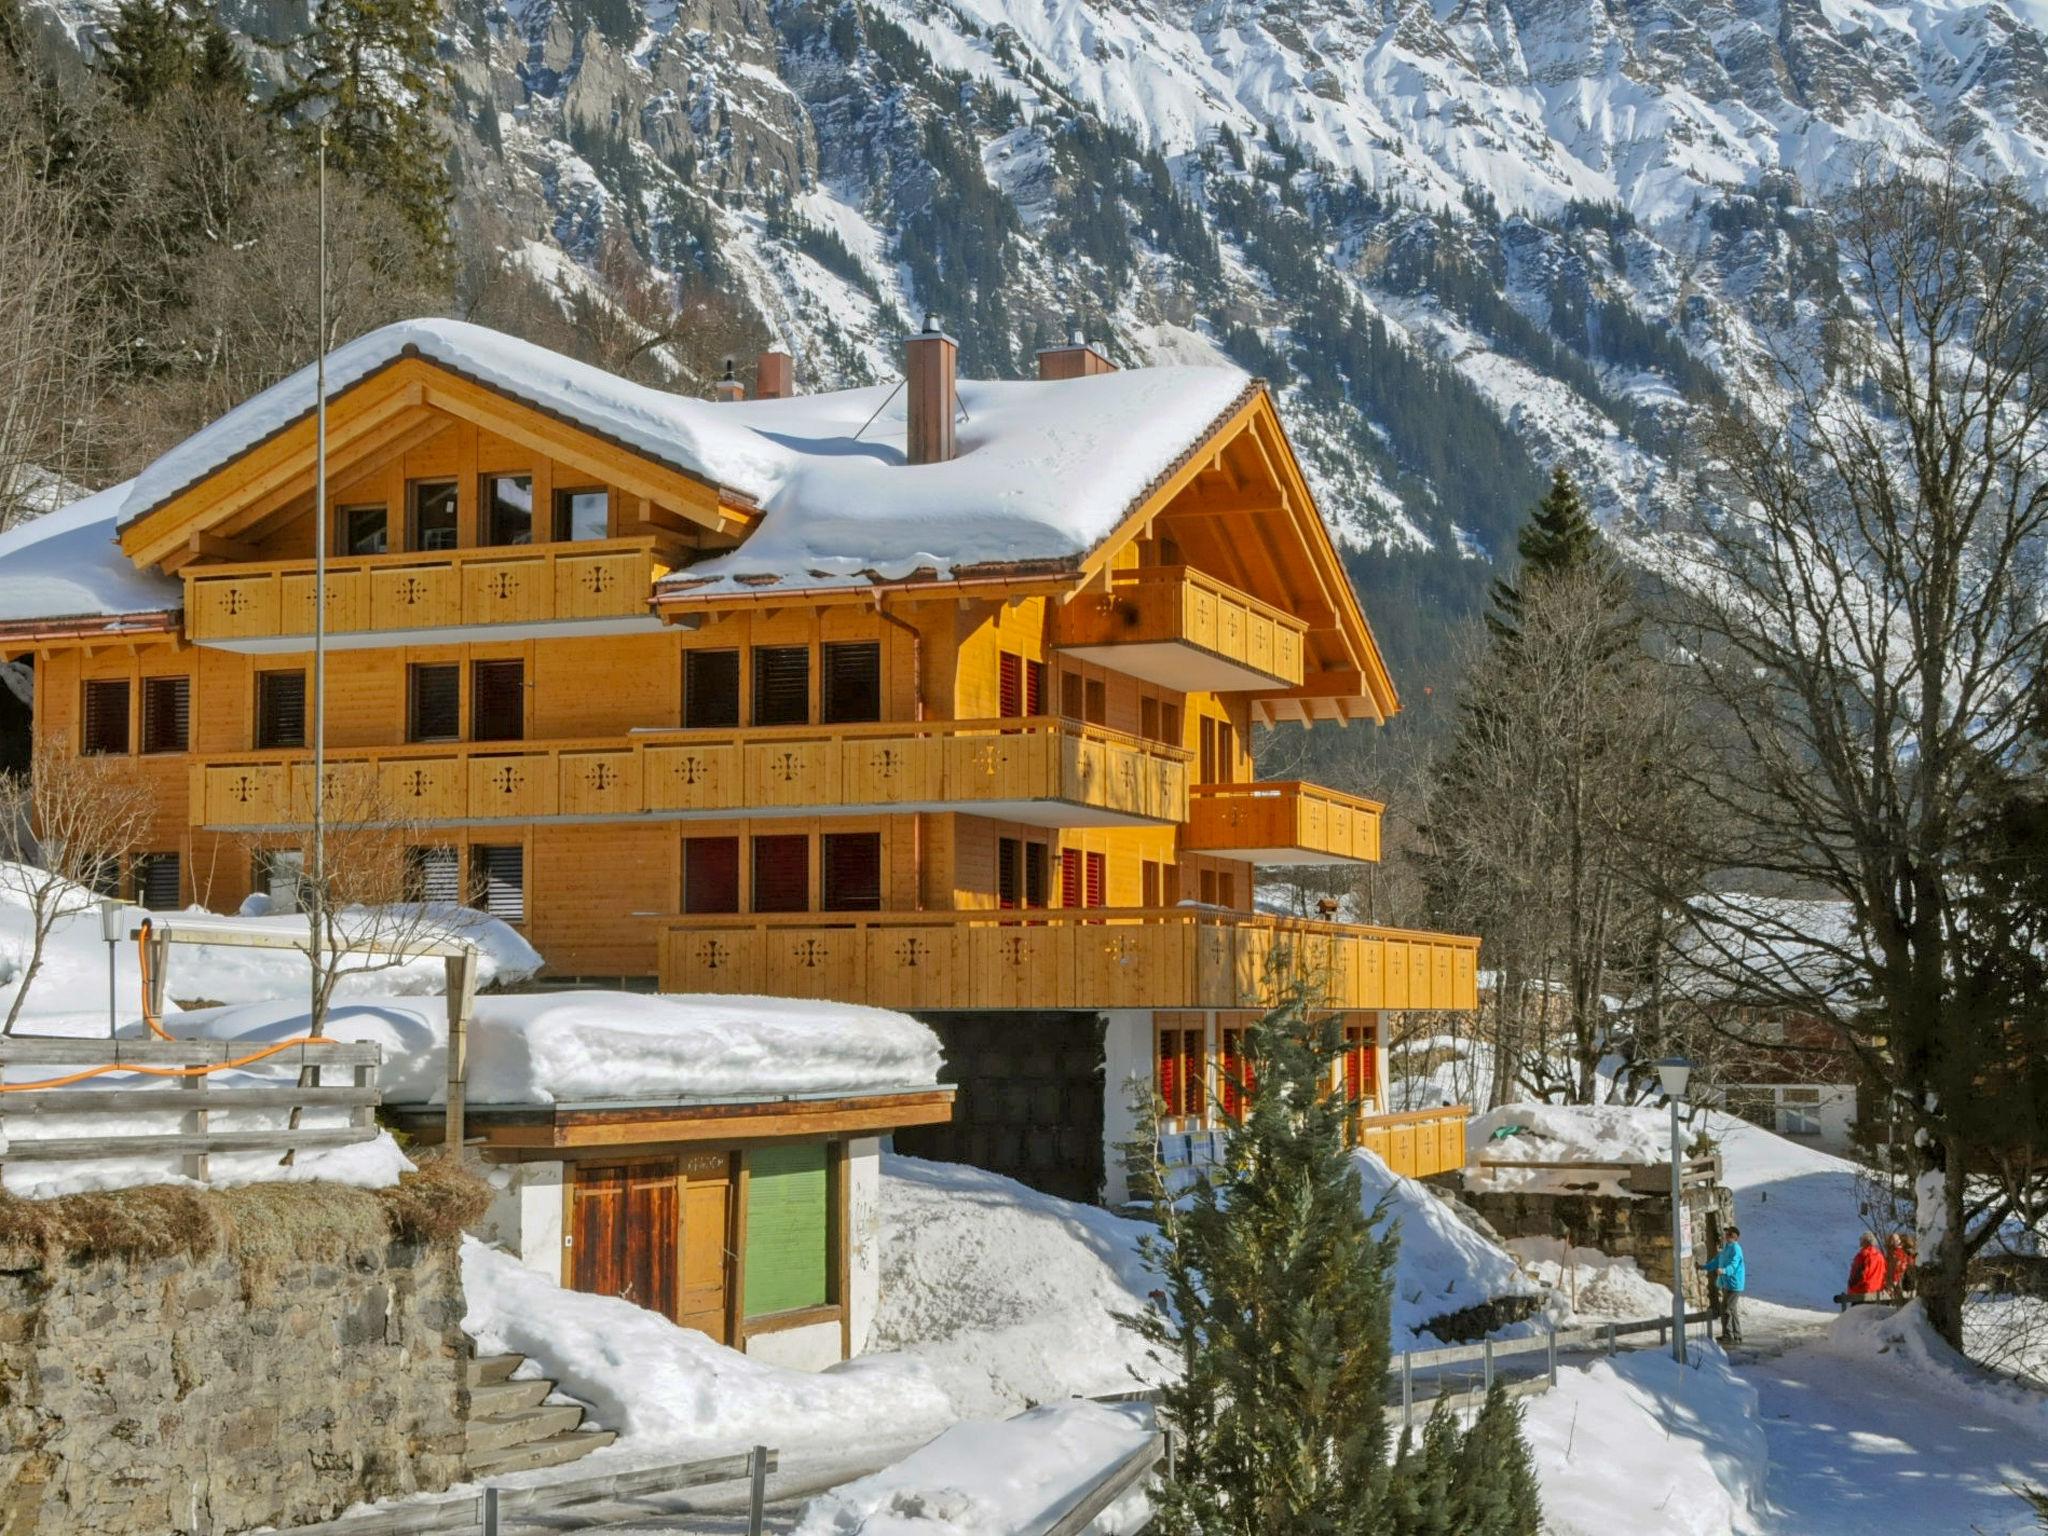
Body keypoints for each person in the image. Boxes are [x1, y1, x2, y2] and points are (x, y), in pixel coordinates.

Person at [1700, 1225, 1746, 1345]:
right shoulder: (1726, 1248)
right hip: (1727, 1283)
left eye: (1728, 1234)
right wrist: (1704, 1267)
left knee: (1726, 1309)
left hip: (1734, 1284)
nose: (1725, 1236)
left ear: (1734, 1237)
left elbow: (1734, 1265)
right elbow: (1716, 1261)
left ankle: (1728, 1335)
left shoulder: (1736, 1249)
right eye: (1726, 1234)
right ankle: (1736, 1335)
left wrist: (1724, 1271)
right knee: (1732, 1309)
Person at [1842, 1231, 1887, 1304]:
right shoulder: (1880, 1256)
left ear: (1866, 1241)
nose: (1860, 1242)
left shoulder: (1862, 1255)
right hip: (1876, 1292)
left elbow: (1858, 1275)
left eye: (1862, 1239)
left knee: (1857, 1314)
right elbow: (1884, 1273)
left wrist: (1851, 1286)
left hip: (1861, 1292)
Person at [1885, 1232, 1916, 1299]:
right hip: (1895, 1281)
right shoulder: (1891, 1253)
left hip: (1898, 1280)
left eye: (1894, 1240)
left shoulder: (1901, 1253)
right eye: (1891, 1240)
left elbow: (1903, 1267)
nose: (1892, 1242)